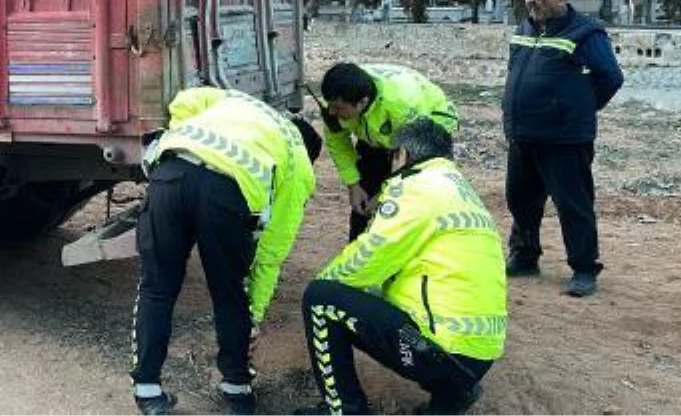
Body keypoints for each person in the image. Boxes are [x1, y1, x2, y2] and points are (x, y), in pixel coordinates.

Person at [131, 87, 323, 416]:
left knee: (157, 288)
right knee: (229, 293)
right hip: (225, 193)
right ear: (308, 150)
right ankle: (237, 391)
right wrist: (255, 315)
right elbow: (271, 252)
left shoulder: (240, 100)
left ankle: (148, 392)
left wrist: (187, 136)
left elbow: (183, 100)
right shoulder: (298, 160)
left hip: (170, 173)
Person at [295, 119, 507, 416]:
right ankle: (449, 397)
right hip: (476, 356)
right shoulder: (459, 190)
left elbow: (369, 257)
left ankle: (344, 411)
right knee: (384, 294)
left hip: (441, 351)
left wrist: (327, 286)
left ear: (402, 155)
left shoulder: (416, 188)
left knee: (320, 298)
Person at [503, 0, 624, 297]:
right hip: (523, 134)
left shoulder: (586, 33)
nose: (533, 0)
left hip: (565, 138)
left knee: (573, 204)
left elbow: (611, 78)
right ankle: (525, 256)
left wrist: (577, 109)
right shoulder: (524, 27)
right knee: (521, 200)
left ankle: (584, 268)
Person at [319, 63, 458, 241]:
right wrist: (353, 184)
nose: (331, 112)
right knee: (367, 190)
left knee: (416, 194)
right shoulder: (335, 100)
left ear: (362, 102)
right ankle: (359, 249)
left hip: (427, 126)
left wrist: (386, 195)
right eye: (330, 106)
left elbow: (413, 162)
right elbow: (337, 143)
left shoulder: (401, 106)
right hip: (377, 128)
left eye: (338, 108)